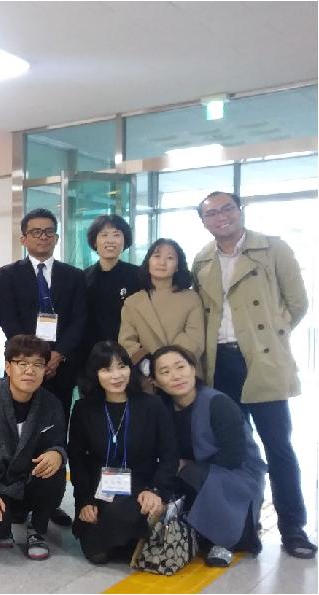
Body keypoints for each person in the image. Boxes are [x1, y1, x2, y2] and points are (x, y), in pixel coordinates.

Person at [191, 191, 315, 558]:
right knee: (233, 450)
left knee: (279, 447)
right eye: (212, 213)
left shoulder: (273, 249)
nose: (221, 217)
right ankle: (243, 526)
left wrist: (272, 335)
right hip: (220, 363)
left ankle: (293, 528)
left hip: (261, 361)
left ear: (240, 210)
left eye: (227, 209)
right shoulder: (202, 259)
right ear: (204, 222)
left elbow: (298, 302)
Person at [0, 208, 87, 527]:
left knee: (54, 434)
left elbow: (79, 319)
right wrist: (32, 359)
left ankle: (50, 501)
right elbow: (7, 318)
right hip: (23, 368)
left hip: (60, 368)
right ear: (23, 238)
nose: (42, 237)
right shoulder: (9, 274)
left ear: (57, 237)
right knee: (17, 432)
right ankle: (17, 495)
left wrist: (58, 354)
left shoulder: (73, 276)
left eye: (48, 231)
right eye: (35, 232)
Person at [150, 345, 266, 567]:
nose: (176, 376)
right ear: (155, 382)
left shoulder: (217, 403)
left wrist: (187, 464)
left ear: (193, 369)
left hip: (237, 474)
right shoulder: (163, 408)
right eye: (165, 372)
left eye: (180, 367)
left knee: (192, 473)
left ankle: (223, 541)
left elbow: (233, 456)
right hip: (195, 472)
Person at [68, 341, 177, 564]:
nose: (116, 375)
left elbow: (170, 454)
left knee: (116, 519)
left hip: (142, 488)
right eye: (106, 369)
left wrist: (156, 490)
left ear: (130, 368)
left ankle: (129, 532)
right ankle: (131, 536)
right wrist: (85, 501)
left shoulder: (153, 406)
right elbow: (77, 458)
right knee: (97, 555)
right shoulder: (84, 409)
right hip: (100, 490)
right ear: (95, 374)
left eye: (121, 366)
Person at [0, 335, 67, 561]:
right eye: (22, 363)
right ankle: (5, 519)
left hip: (30, 481)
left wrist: (57, 453)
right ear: (8, 367)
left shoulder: (51, 404)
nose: (30, 370)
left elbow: (58, 442)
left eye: (37, 364)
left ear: (45, 369)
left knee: (55, 469)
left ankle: (36, 529)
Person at [119, 238, 204, 380]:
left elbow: (194, 340)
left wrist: (171, 368)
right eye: (157, 256)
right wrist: (150, 368)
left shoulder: (191, 298)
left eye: (170, 258)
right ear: (148, 262)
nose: (162, 262)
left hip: (185, 376)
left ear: (177, 266)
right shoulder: (133, 302)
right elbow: (127, 341)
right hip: (148, 378)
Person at [82, 214, 140, 357]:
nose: (110, 240)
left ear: (125, 240)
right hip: (91, 354)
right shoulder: (83, 277)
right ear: (95, 242)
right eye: (104, 235)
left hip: (128, 352)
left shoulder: (138, 275)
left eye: (116, 234)